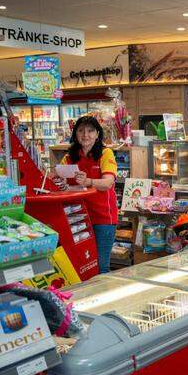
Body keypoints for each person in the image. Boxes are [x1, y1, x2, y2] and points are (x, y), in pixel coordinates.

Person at [58, 116, 118, 274]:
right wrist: (60, 183)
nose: (85, 135)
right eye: (81, 130)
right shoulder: (69, 156)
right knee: (82, 265)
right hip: (77, 217)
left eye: (90, 131)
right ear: (75, 134)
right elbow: (58, 177)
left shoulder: (106, 153)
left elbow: (107, 183)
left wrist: (88, 181)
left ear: (97, 133)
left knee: (100, 265)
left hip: (102, 218)